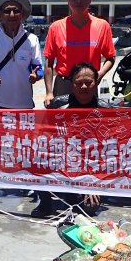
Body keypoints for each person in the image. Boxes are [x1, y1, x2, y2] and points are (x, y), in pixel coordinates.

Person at [32, 62, 107, 217]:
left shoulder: (107, 109)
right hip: (63, 160)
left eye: (89, 82)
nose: (84, 87)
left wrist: (92, 185)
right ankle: (45, 202)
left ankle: (77, 195)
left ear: (96, 82)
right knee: (35, 154)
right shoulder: (58, 104)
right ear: (72, 85)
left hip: (92, 167)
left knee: (89, 208)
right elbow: (44, 136)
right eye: (79, 83)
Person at [43, 0, 116, 108]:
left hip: (88, 85)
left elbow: (110, 57)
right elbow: (49, 63)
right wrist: (49, 92)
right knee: (60, 125)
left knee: (89, 124)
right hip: (64, 84)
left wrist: (99, 74)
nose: (78, 0)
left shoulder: (102, 26)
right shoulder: (56, 27)